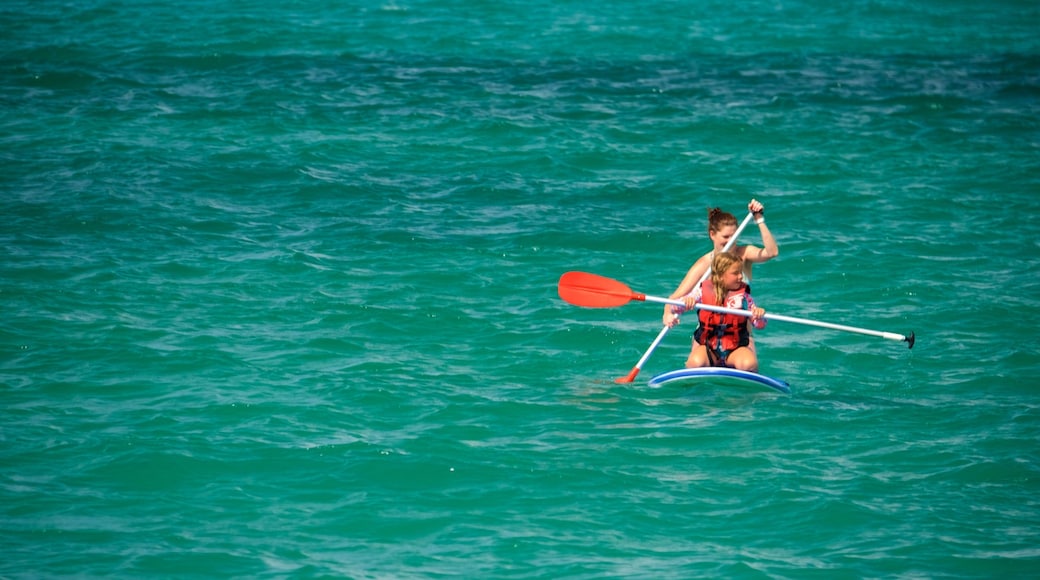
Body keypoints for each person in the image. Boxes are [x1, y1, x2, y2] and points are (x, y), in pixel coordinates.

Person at [662, 198, 778, 329]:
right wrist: (667, 315)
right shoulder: (704, 264)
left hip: (740, 334)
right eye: (725, 237)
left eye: (734, 236)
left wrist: (759, 219)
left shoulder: (744, 254)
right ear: (712, 234)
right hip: (707, 332)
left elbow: (772, 252)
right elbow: (673, 299)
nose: (730, 241)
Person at [681, 252, 766, 371]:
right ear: (721, 275)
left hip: (734, 349)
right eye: (735, 273)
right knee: (695, 363)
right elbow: (676, 308)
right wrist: (686, 301)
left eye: (740, 272)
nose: (741, 276)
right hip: (709, 348)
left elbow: (759, 325)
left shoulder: (745, 297)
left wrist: (759, 316)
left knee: (749, 364)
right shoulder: (700, 293)